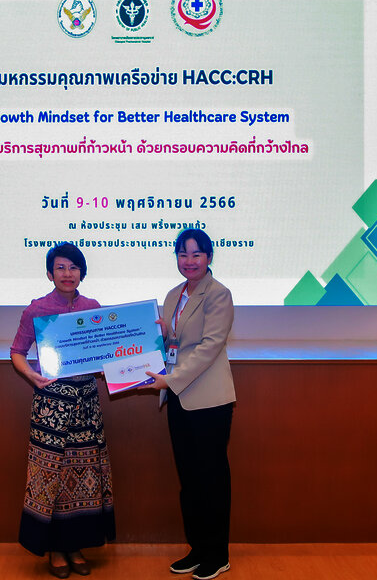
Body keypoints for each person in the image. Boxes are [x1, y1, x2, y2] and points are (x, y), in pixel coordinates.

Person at [10, 243, 115, 578]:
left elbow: (105, 354)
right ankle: (55, 549)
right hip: (51, 405)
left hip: (86, 404)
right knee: (52, 475)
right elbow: (17, 352)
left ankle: (75, 546)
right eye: (60, 267)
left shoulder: (92, 308)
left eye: (73, 267)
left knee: (84, 473)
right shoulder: (37, 310)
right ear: (49, 273)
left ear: (81, 272)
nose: (67, 274)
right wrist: (31, 376)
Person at [145, 228, 235, 580]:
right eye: (183, 254)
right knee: (190, 478)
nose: (189, 261)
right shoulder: (173, 295)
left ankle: (218, 554)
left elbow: (209, 347)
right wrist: (159, 335)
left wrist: (170, 379)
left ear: (209, 256)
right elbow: (176, 342)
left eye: (196, 254)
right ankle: (198, 549)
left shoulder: (219, 294)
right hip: (179, 398)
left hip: (209, 400)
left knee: (212, 478)